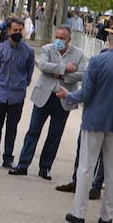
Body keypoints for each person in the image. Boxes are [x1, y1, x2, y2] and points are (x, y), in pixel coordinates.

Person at [56, 27, 113, 223]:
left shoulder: (97, 61)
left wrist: (68, 95)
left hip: (95, 119)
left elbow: (86, 93)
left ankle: (79, 213)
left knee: (86, 167)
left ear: (108, 39)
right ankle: (107, 217)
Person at [10, 25, 87, 179]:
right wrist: (66, 68)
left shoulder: (78, 54)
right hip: (43, 96)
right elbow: (44, 66)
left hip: (63, 98)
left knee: (54, 135)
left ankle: (45, 168)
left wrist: (62, 75)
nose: (58, 40)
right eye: (56, 37)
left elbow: (83, 74)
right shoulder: (47, 49)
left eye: (62, 38)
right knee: (33, 131)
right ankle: (22, 165)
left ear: (69, 40)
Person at [0, 19, 34, 167]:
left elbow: (29, 74)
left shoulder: (28, 52)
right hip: (0, 93)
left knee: (12, 127)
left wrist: (21, 86)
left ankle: (8, 158)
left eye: (20, 30)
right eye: (14, 30)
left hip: (17, 96)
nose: (17, 33)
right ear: (8, 31)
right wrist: (1, 84)